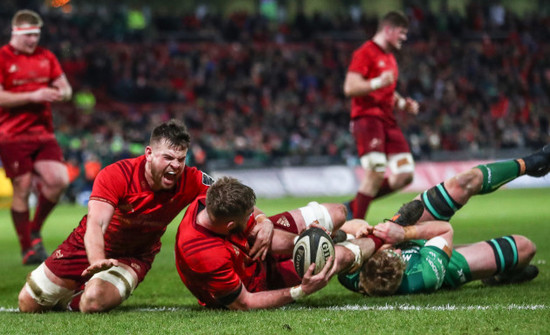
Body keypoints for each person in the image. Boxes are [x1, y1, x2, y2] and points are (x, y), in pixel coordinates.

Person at [17, 120, 273, 313]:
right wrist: (97, 261)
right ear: (149, 153)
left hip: (135, 255)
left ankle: (75, 301)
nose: (175, 165)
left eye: (181, 159)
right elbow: (96, 223)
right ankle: (72, 290)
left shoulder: (191, 179)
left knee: (92, 302)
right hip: (88, 247)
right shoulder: (116, 175)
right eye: (168, 157)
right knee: (27, 303)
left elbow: (234, 201)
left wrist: (263, 220)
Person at [337, 145, 549, 295]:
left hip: (397, 229)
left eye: (392, 251)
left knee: (464, 182)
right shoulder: (424, 276)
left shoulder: (350, 270)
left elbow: (349, 224)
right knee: (525, 248)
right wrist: (403, 234)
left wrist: (361, 230)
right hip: (440, 259)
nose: (399, 250)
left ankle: (530, 164)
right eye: (399, 255)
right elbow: (443, 229)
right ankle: (500, 275)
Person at [175, 176, 385, 310]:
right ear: (230, 225)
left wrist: (264, 221)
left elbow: (251, 214)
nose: (253, 215)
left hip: (253, 246)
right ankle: (383, 236)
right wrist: (301, 291)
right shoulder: (205, 255)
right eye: (249, 214)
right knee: (338, 257)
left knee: (337, 212)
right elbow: (244, 303)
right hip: (255, 282)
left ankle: (342, 234)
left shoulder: (208, 201)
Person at [0, 9, 73, 265]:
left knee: (59, 181)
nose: (33, 40)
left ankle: (33, 228)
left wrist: (61, 93)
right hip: (12, 135)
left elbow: (66, 88)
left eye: (37, 34)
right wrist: (32, 96)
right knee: (21, 186)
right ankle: (27, 249)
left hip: (43, 133)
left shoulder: (46, 56)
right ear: (15, 32)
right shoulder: (2, 57)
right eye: (28, 35)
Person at [343, 11, 419, 220]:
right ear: (388, 30)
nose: (404, 37)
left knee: (405, 175)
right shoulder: (365, 52)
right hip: (368, 119)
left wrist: (404, 103)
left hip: (389, 122)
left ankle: (353, 205)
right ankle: (356, 225)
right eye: (401, 33)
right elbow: (350, 87)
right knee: (375, 172)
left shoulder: (389, 58)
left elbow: (387, 91)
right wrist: (377, 82)